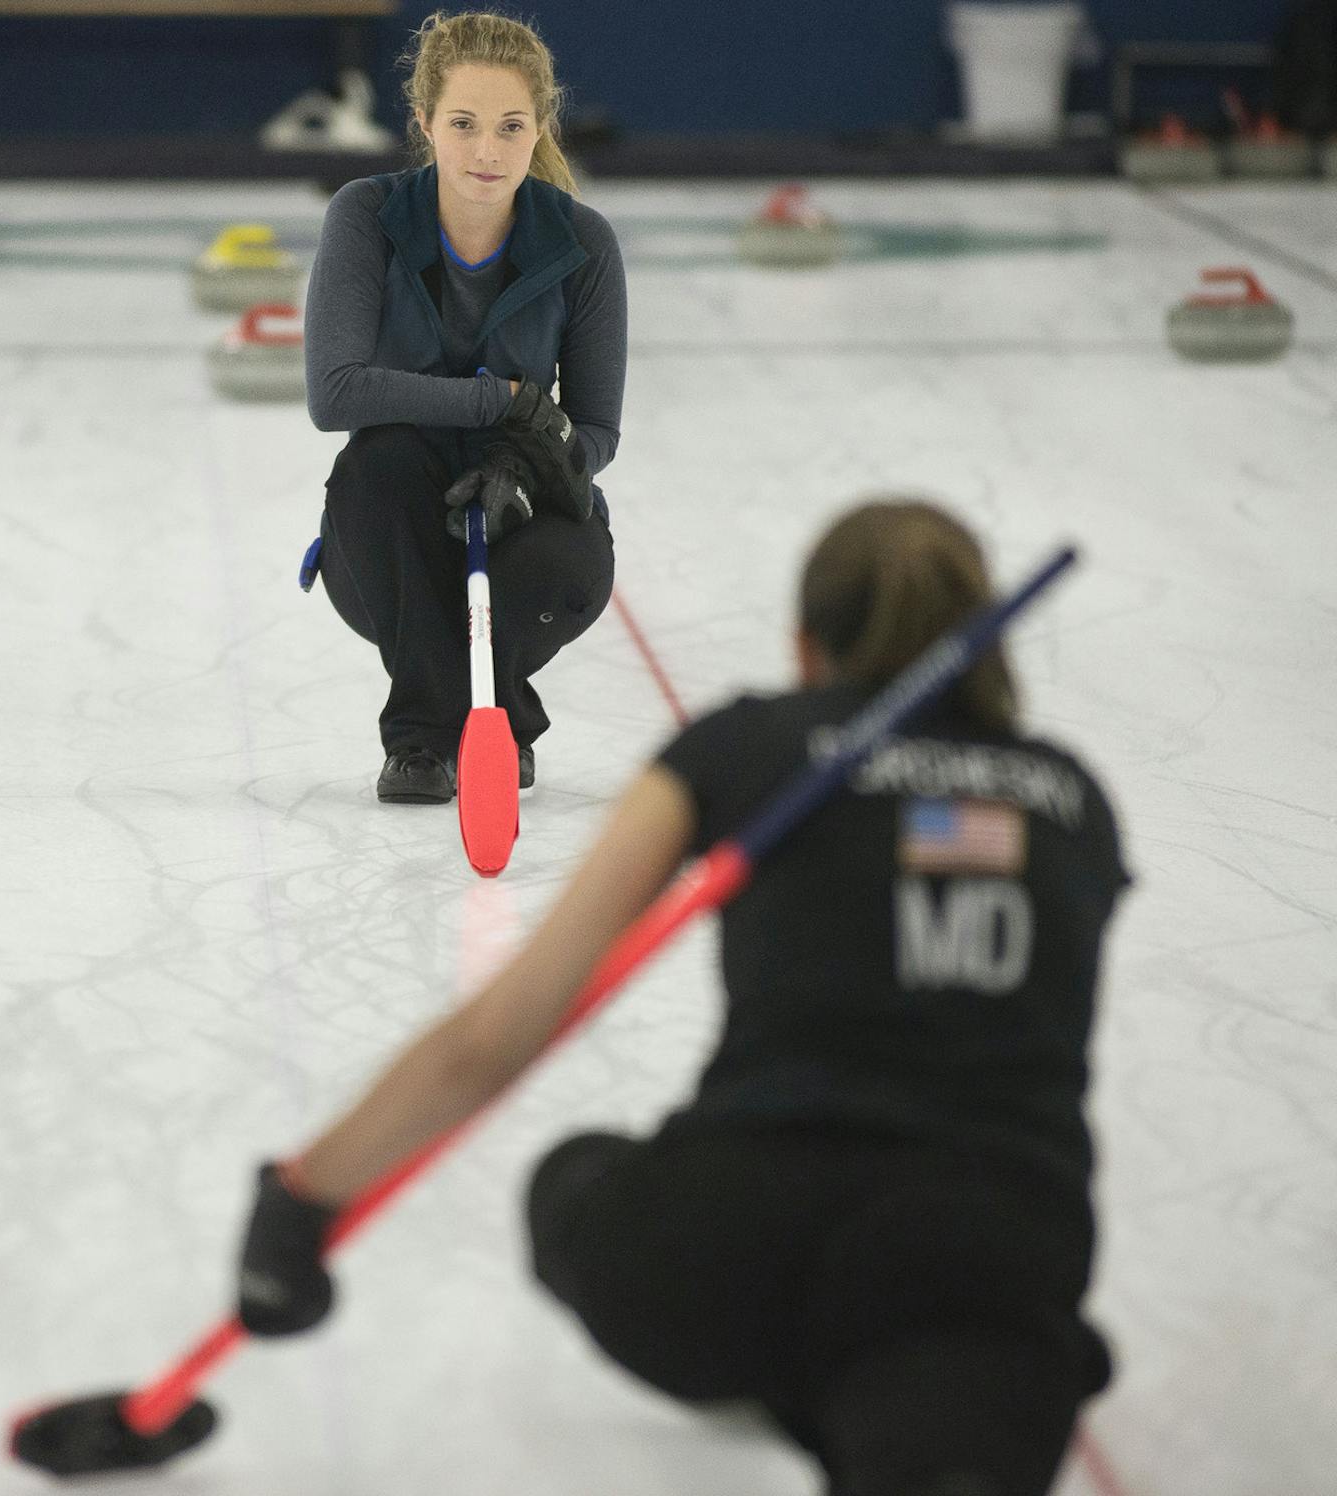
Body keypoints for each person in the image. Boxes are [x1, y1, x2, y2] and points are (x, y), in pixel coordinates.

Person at [234, 500, 1130, 1496]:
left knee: (573, 1183)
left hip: (730, 1233)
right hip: (982, 1250)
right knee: (940, 1395)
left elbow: (495, 1036)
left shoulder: (752, 746)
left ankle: (812, 1358)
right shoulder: (1073, 801)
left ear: (803, 642)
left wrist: (303, 1193)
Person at [304, 11, 625, 803]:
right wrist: (499, 403)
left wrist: (520, 460)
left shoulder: (584, 244)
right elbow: (334, 392)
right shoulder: (365, 216)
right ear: (423, 123)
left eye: (512, 126)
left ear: (540, 127)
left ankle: (471, 716)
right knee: (374, 467)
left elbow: (596, 431)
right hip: (388, 536)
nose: (487, 151)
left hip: (521, 508)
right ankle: (433, 735)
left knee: (568, 559)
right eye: (464, 124)